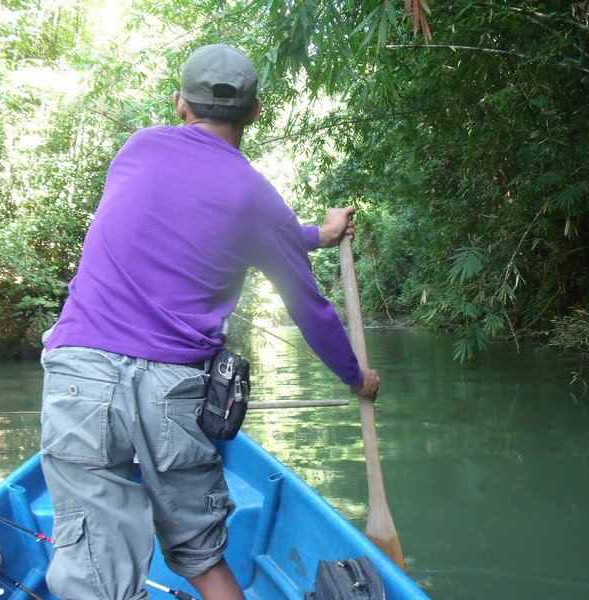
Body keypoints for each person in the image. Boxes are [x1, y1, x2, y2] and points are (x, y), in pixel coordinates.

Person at [39, 44, 380, 600]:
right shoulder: (253, 195)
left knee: (92, 575)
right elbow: (308, 306)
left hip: (80, 375)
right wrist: (355, 378)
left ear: (179, 104)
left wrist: (316, 235)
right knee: (201, 557)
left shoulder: (138, 149)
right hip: (170, 388)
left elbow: (188, 213)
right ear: (255, 112)